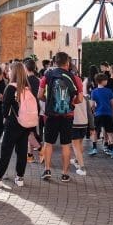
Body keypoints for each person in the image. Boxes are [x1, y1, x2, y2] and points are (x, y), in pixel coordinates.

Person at [38, 52, 82, 184]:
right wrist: (71, 103)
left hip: (51, 115)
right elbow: (80, 99)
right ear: (68, 63)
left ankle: (47, 170)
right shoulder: (75, 78)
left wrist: (49, 101)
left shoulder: (47, 75)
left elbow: (39, 95)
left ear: (55, 63)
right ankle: (65, 174)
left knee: (48, 143)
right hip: (68, 116)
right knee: (66, 145)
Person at [0, 61, 33, 188]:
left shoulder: (10, 87)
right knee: (22, 151)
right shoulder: (26, 87)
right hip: (25, 123)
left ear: (13, 72)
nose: (7, 72)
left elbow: (5, 109)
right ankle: (20, 178)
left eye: (9, 70)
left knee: (6, 151)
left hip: (13, 123)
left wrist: (5, 113)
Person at [89, 73, 113, 158]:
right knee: (110, 132)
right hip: (108, 114)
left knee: (95, 131)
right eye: (106, 80)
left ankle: (94, 148)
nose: (107, 81)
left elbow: (92, 105)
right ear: (103, 81)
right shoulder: (109, 91)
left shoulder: (94, 91)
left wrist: (94, 112)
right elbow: (112, 103)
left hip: (98, 114)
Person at [69, 76, 90, 177]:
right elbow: (89, 113)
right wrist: (92, 127)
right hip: (84, 123)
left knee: (76, 146)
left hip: (75, 123)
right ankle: (77, 160)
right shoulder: (85, 97)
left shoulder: (70, 97)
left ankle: (82, 167)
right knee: (80, 144)